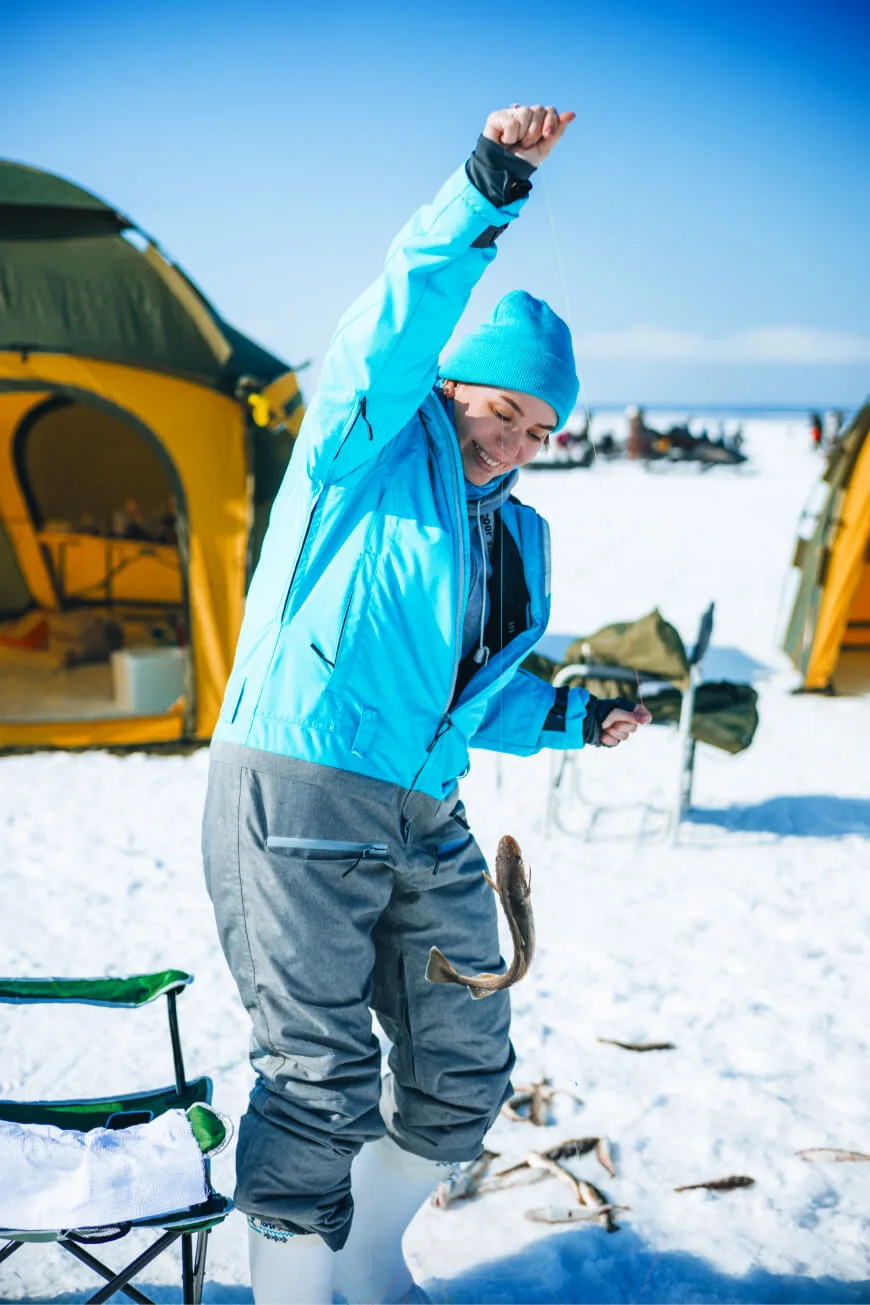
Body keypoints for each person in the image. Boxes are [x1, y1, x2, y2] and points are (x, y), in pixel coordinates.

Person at [202, 103, 650, 1305]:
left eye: (542, 430)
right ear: (450, 386)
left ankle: (363, 1264)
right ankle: (291, 1292)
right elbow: (391, 323)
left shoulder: (517, 539)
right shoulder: (363, 452)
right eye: (505, 412)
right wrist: (491, 185)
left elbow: (466, 694)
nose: (519, 443)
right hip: (299, 790)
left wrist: (573, 718)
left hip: (421, 808)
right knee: (318, 1078)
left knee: (463, 1068)